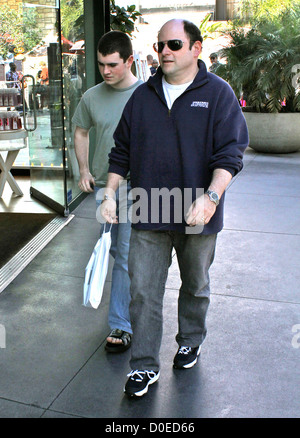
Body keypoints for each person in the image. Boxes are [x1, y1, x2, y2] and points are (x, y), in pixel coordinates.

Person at [101, 19, 248, 397]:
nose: (164, 51)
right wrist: (109, 193)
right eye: (160, 44)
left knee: (195, 285)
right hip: (148, 209)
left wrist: (211, 197)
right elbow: (121, 151)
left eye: (174, 44)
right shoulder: (143, 95)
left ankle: (190, 339)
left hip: (197, 213)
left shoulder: (218, 94)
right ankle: (144, 366)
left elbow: (230, 155)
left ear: (196, 49)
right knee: (143, 291)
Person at [72, 31, 143, 353]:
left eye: (113, 64)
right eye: (101, 64)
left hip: (139, 186)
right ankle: (130, 309)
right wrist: (84, 170)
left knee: (125, 253)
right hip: (105, 187)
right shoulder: (91, 96)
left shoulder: (148, 94)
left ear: (129, 60)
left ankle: (121, 323)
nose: (106, 71)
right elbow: (80, 131)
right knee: (115, 250)